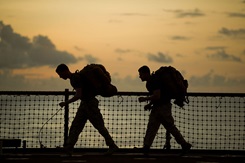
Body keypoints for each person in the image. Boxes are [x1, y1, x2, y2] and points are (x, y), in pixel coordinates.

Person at [56, 63, 119, 155]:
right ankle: (69, 147)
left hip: (89, 104)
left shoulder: (75, 79)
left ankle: (112, 146)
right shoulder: (76, 77)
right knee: (76, 126)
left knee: (99, 126)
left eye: (60, 74)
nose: (60, 77)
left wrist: (65, 103)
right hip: (85, 103)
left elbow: (78, 95)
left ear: (65, 71)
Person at [137, 65, 191, 155]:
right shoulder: (151, 82)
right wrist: (150, 105)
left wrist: (144, 99)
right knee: (154, 127)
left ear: (146, 73)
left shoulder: (153, 81)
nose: (140, 76)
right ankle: (146, 147)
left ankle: (184, 145)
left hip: (163, 107)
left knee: (163, 127)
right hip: (160, 107)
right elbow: (158, 96)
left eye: (141, 74)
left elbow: (157, 96)